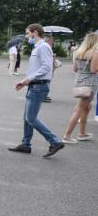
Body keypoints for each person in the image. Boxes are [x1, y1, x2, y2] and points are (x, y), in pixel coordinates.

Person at [8, 23, 64, 157]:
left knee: (31, 118)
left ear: (35, 33)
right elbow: (36, 68)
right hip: (34, 85)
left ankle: (54, 141)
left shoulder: (43, 47)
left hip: (39, 86)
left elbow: (46, 67)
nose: (26, 36)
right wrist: (25, 82)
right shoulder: (38, 47)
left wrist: (28, 79)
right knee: (27, 117)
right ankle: (26, 144)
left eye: (27, 33)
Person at [62, 33, 98, 143]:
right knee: (79, 109)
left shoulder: (79, 52)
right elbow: (93, 70)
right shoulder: (95, 53)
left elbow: (75, 69)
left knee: (87, 107)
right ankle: (67, 136)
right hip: (90, 84)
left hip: (80, 82)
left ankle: (82, 133)